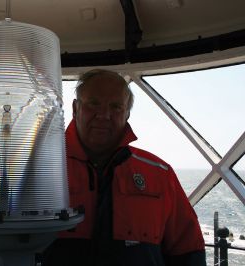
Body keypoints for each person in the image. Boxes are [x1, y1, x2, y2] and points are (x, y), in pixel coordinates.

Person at [41, 69, 206, 266]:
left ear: (127, 114)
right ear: (75, 108)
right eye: (94, 103)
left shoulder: (159, 174)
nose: (104, 115)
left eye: (116, 107)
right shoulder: (41, 169)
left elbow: (188, 250)